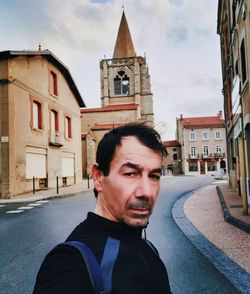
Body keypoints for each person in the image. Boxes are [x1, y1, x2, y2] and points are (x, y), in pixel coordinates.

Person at [33, 123, 172, 294]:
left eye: (154, 176)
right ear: (98, 177)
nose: (146, 192)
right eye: (130, 174)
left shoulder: (148, 249)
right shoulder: (69, 262)